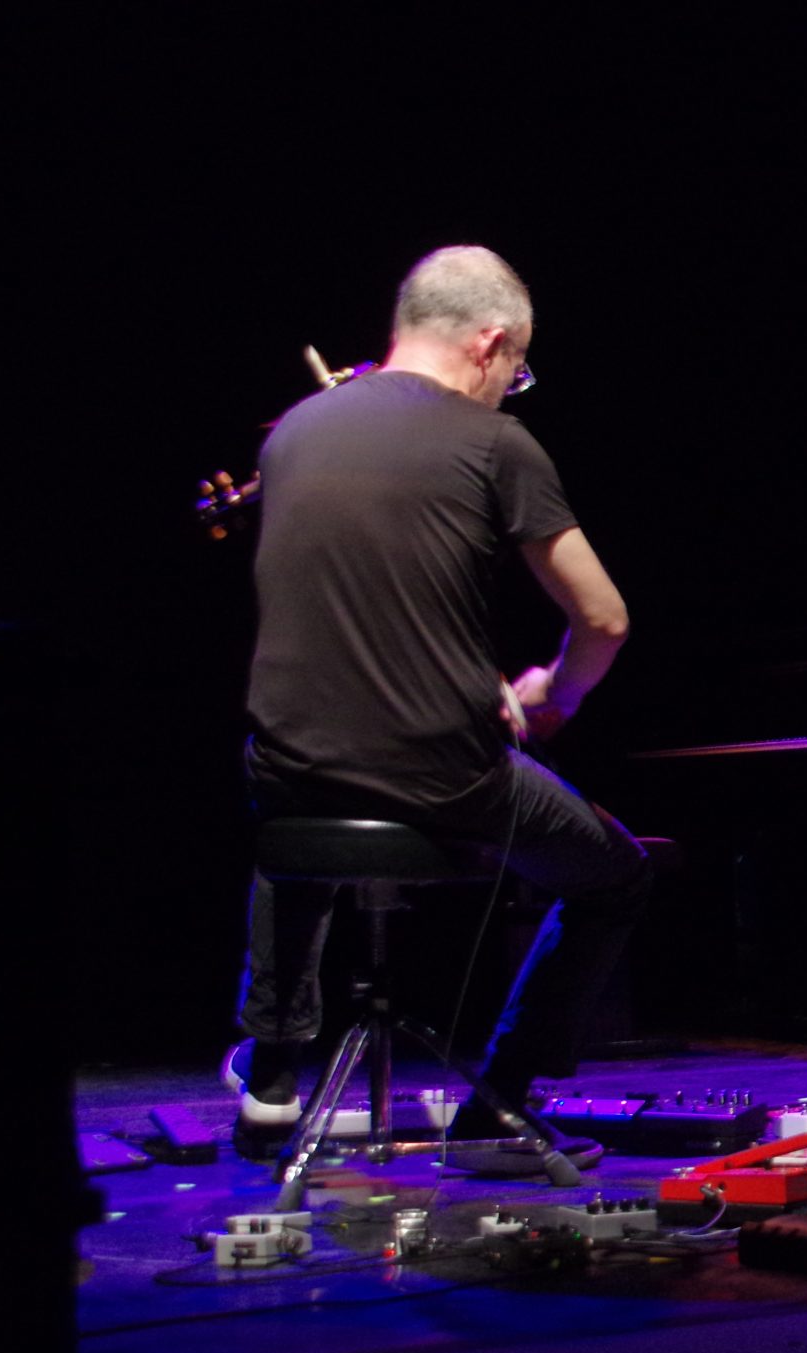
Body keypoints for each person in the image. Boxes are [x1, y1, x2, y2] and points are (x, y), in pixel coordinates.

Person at [229, 246, 649, 1158]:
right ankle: (499, 1105)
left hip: (287, 767)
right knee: (617, 878)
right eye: (518, 369)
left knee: (307, 768)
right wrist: (552, 693)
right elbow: (605, 619)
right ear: (490, 342)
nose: (512, 387)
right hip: (442, 775)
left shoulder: (294, 431)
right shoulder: (497, 444)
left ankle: (272, 1066)